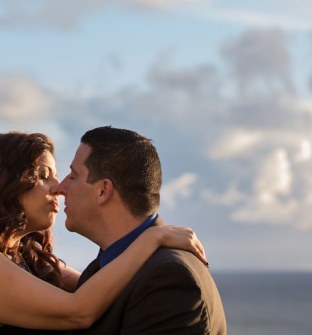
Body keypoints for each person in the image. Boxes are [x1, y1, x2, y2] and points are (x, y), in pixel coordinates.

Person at [0, 131, 209, 334]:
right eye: (43, 176)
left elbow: (99, 284)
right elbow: (79, 310)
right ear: (3, 181)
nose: (58, 187)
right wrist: (152, 237)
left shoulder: (25, 255)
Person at [55, 126, 227, 334]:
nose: (61, 188)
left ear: (103, 191)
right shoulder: (110, 266)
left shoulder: (168, 278)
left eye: (73, 176)